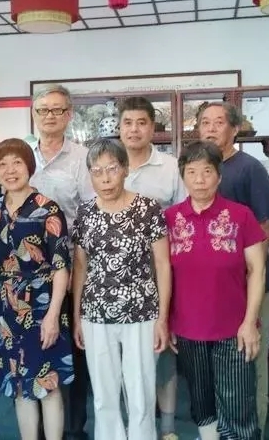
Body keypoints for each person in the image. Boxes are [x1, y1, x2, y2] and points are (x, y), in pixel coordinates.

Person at [166, 140, 266, 440]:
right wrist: (167, 322)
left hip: (234, 328)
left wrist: (250, 322)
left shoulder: (241, 216)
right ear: (183, 176)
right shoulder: (169, 219)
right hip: (187, 329)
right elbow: (163, 275)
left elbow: (257, 270)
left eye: (207, 171)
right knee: (202, 402)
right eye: (192, 172)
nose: (200, 179)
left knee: (237, 403)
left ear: (219, 176)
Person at [72, 138, 171, 440]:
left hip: (141, 311)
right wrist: (77, 317)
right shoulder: (85, 213)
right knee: (104, 394)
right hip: (95, 313)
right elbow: (80, 267)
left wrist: (162, 319)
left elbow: (163, 264)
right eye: (97, 171)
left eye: (112, 169)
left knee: (140, 390)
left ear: (125, 169)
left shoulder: (148, 208)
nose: (105, 178)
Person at [197, 101, 269, 437]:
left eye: (219, 122)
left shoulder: (249, 168)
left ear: (234, 129)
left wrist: (250, 276)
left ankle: (252, 431)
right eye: (205, 122)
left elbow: (265, 227)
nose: (211, 128)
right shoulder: (198, 169)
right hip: (212, 292)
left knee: (251, 365)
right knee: (218, 371)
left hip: (247, 287)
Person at [0, 138, 74, 440]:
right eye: (3, 164)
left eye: (17, 163)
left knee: (47, 384)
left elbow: (61, 266)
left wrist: (53, 315)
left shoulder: (48, 209)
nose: (10, 170)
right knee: (19, 386)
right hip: (6, 308)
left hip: (42, 305)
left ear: (29, 167)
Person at [27, 84, 94, 440]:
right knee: (33, 349)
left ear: (69, 115)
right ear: (34, 114)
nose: (49, 116)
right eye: (43, 110)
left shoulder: (83, 158)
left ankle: (74, 428)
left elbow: (90, 213)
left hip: (70, 268)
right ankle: (37, 429)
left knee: (72, 349)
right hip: (25, 275)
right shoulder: (21, 154)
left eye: (57, 110)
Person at [117, 96, 186, 440]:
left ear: (152, 128)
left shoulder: (170, 167)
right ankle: (132, 425)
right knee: (124, 359)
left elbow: (184, 218)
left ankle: (168, 428)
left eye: (141, 122)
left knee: (163, 351)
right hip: (117, 280)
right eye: (128, 122)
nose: (134, 129)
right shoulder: (108, 165)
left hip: (161, 274)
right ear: (119, 128)